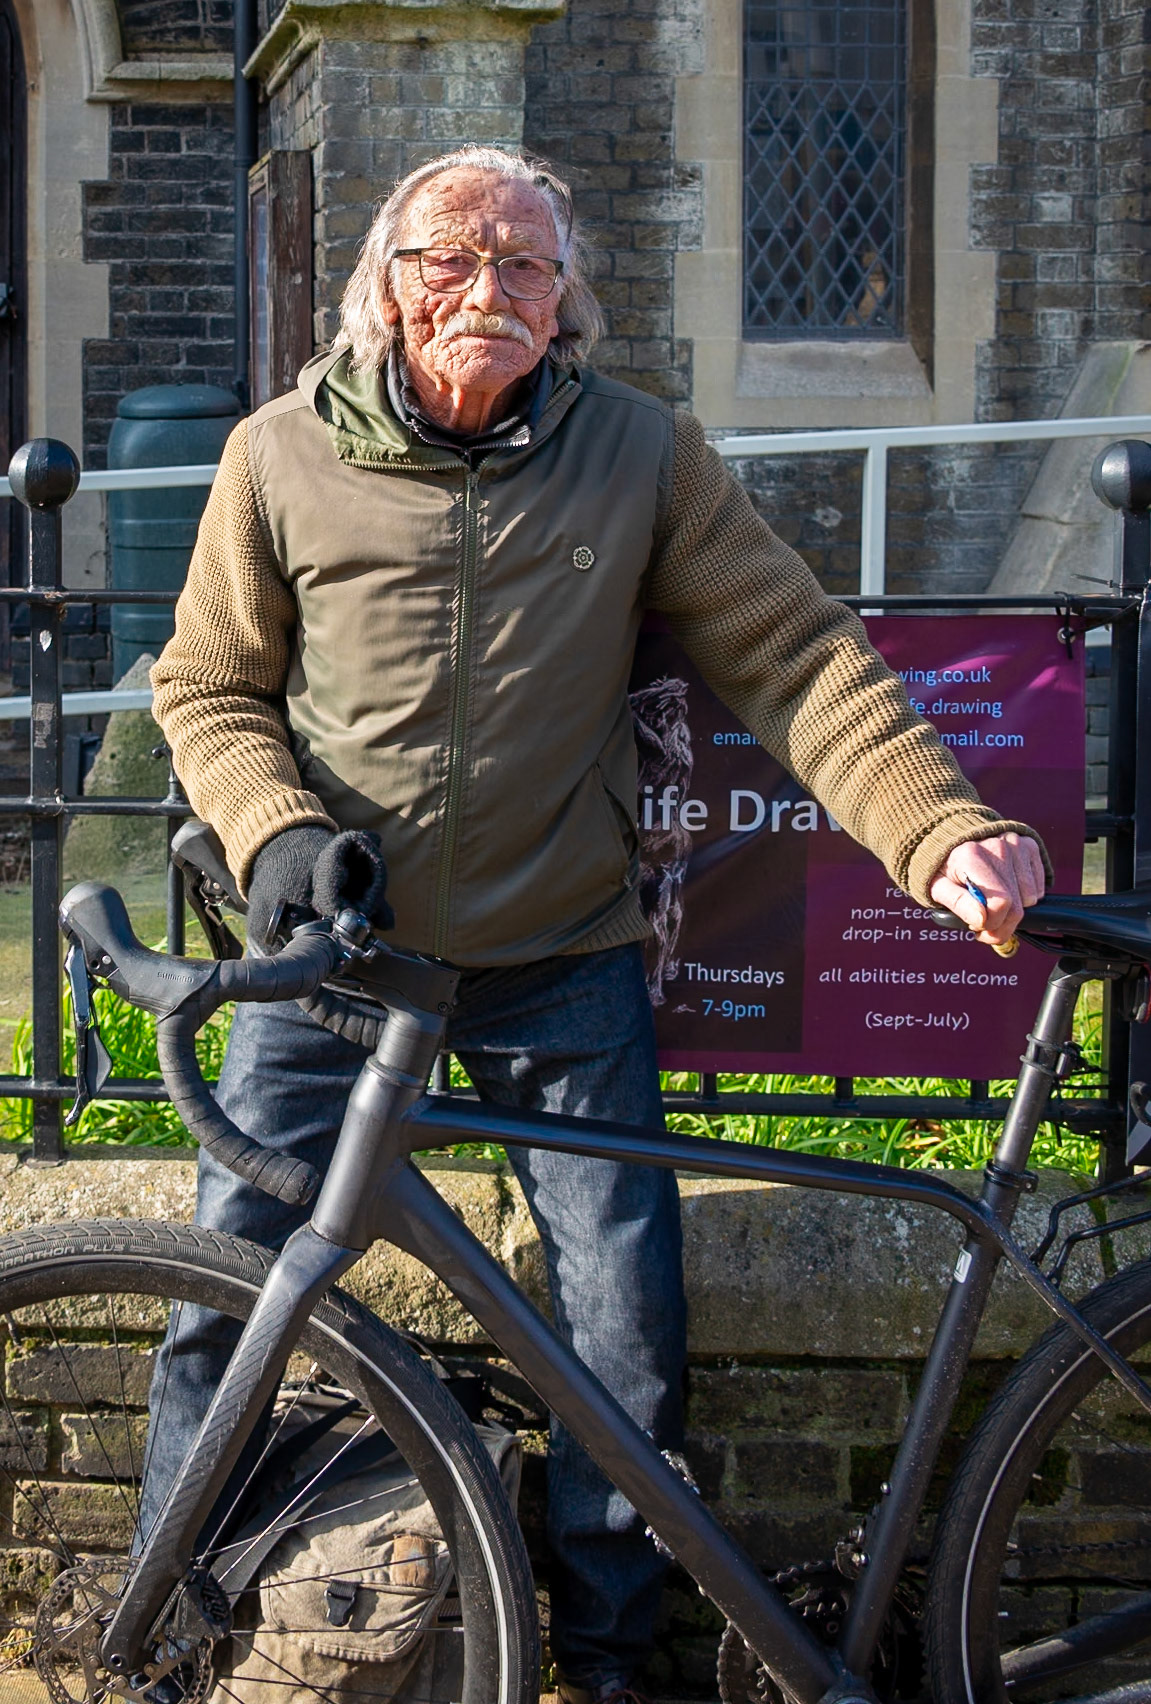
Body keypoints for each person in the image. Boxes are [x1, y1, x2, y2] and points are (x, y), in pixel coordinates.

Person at [147, 144, 1048, 1704]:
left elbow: (797, 661)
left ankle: (609, 1657)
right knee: (228, 1298)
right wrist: (276, 829)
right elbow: (207, 684)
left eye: (524, 267)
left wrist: (940, 826)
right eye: (451, 259)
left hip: (559, 959)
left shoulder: (641, 455)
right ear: (386, 285)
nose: (486, 289)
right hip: (338, 969)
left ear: (565, 303)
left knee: (623, 1337)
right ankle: (174, 1623)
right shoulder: (276, 458)